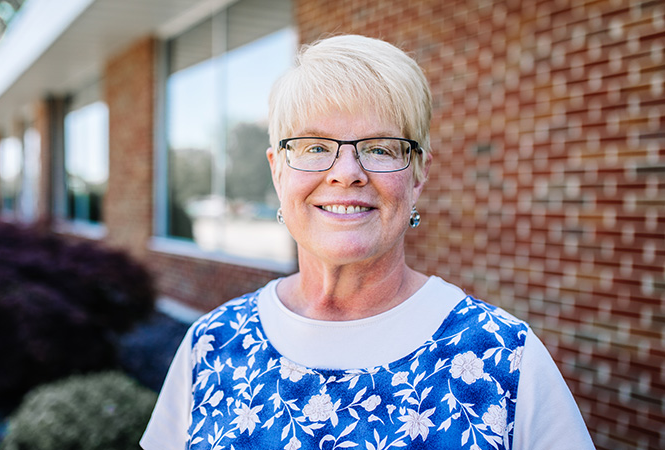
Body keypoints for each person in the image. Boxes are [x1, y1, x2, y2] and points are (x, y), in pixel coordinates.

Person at [141, 34, 594, 449]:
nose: (346, 172)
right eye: (315, 146)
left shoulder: (504, 358)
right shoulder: (213, 344)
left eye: (379, 148)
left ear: (418, 176)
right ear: (277, 170)